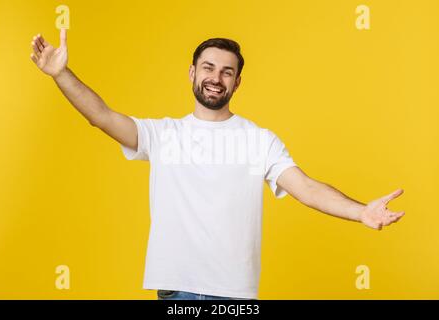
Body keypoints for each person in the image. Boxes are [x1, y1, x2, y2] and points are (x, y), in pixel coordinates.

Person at [30, 29, 405, 300]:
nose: (216, 78)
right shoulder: (162, 135)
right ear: (192, 73)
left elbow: (305, 187)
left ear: (237, 82)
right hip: (177, 291)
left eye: (227, 72)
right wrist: (61, 73)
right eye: (208, 68)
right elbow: (101, 116)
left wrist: (360, 212)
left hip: (235, 296)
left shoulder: (259, 140)